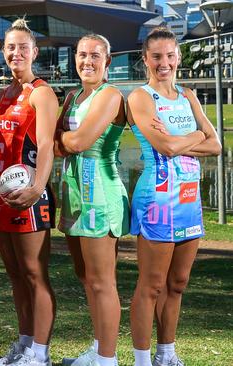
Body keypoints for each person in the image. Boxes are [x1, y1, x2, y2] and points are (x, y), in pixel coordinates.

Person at [126, 27, 220, 366]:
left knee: (177, 283)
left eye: (169, 55)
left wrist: (184, 136)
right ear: (145, 59)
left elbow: (218, 146)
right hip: (158, 201)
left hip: (189, 201)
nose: (163, 63)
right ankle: (141, 360)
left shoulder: (187, 96)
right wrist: (195, 133)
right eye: (156, 57)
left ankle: (167, 354)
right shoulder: (140, 97)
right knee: (151, 285)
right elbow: (165, 147)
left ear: (178, 57)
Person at [0, 19, 58, 366]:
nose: (16, 52)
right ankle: (25, 343)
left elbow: (46, 145)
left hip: (31, 195)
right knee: (15, 274)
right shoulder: (5, 93)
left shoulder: (41, 92)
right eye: (10, 47)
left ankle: (40, 354)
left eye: (22, 47)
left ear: (34, 52)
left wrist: (37, 187)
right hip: (4, 195)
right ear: (4, 52)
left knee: (34, 273)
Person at [54, 35, 128, 366]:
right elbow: (56, 144)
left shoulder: (110, 95)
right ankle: (99, 348)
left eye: (95, 55)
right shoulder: (72, 96)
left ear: (107, 61)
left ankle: (108, 359)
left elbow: (79, 141)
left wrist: (64, 140)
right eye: (82, 54)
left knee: (102, 281)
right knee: (85, 276)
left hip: (100, 194)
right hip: (73, 195)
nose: (88, 61)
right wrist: (64, 141)